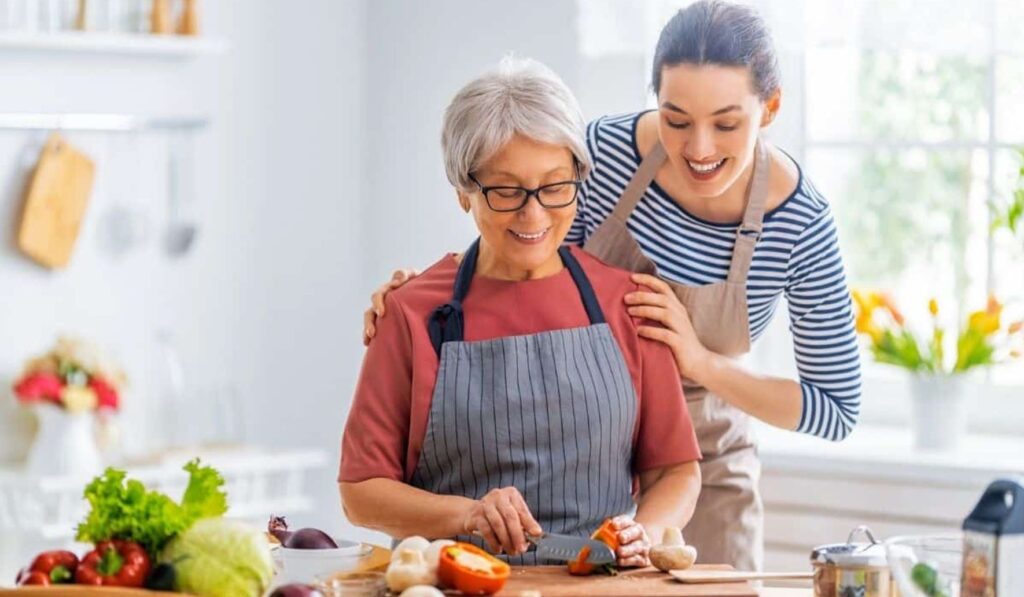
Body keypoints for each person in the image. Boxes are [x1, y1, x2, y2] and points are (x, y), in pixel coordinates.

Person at [362, 0, 862, 571]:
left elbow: (835, 409)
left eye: (726, 124)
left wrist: (698, 361)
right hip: (587, 442)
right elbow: (525, 234)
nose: (699, 148)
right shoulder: (602, 156)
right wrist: (422, 293)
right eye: (676, 120)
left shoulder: (800, 222)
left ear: (769, 108)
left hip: (705, 459)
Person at [339, 57, 702, 567]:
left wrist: (643, 532)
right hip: (455, 583)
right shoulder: (410, 313)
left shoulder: (628, 303)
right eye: (506, 192)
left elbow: (675, 470)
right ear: (464, 192)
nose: (533, 215)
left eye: (554, 187)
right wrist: (467, 515)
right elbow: (361, 491)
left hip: (599, 584)